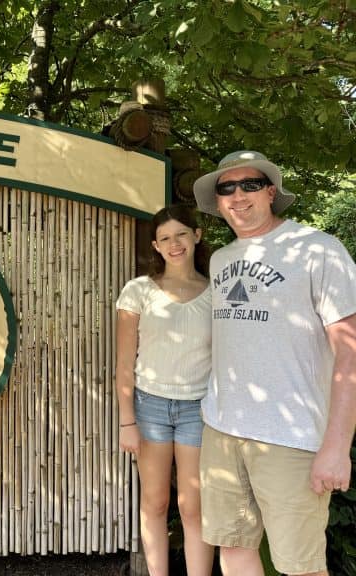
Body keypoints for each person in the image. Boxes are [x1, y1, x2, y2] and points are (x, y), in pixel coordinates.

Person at [193, 150, 356, 576]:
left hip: (291, 436)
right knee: (232, 548)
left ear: (270, 192)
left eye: (249, 184)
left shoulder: (318, 250)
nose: (237, 195)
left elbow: (350, 351)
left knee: (300, 566)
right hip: (222, 430)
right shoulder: (221, 260)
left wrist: (337, 446)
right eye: (226, 188)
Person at [116, 204, 215, 576]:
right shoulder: (138, 291)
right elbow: (125, 363)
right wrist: (128, 421)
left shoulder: (216, 292)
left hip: (199, 409)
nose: (174, 244)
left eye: (181, 235)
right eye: (165, 238)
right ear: (156, 247)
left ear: (197, 236)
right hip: (150, 407)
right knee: (155, 502)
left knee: (194, 506)